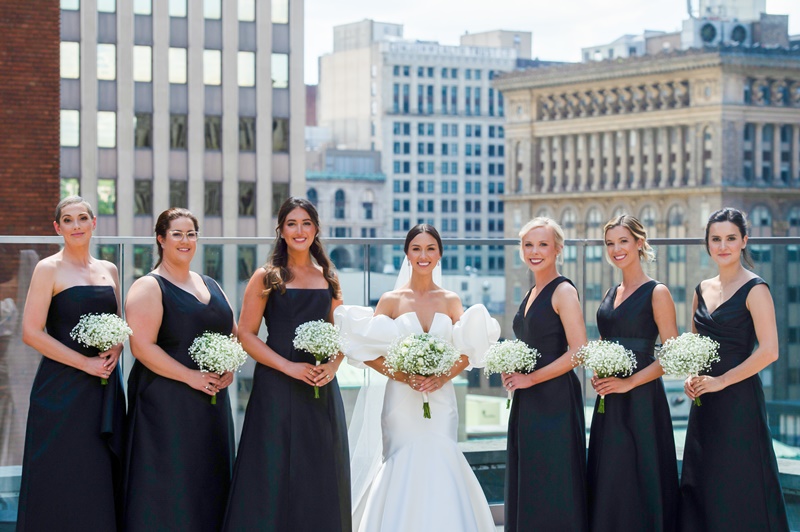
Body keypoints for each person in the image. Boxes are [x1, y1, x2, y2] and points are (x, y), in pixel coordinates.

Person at [335, 224, 499, 532]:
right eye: (416, 249)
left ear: (440, 254)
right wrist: (402, 375)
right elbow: (367, 350)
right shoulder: (391, 300)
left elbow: (467, 350)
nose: (423, 255)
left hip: (441, 399)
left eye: (430, 249)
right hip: (401, 401)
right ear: (407, 254)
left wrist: (442, 377)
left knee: (442, 457)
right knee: (402, 461)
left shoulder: (451, 301)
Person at [222, 197, 351, 531]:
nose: (299, 230)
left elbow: (343, 334)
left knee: (319, 467)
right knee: (271, 469)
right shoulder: (266, 276)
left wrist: (334, 365)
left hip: (320, 387)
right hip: (277, 385)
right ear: (280, 230)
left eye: (306, 223)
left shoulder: (329, 276)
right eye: (291, 224)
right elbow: (246, 335)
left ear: (316, 229)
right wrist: (288, 367)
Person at [123, 208, 236, 532]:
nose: (185, 240)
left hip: (210, 401)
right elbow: (142, 347)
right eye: (177, 234)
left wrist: (228, 368)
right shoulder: (149, 286)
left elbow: (233, 332)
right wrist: (190, 376)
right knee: (170, 483)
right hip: (167, 403)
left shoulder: (211, 283)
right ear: (160, 239)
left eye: (191, 234)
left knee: (208, 478)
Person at [17, 196, 126, 530]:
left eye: (82, 218)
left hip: (103, 386)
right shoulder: (48, 268)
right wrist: (85, 364)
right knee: (59, 472)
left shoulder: (110, 270)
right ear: (58, 227)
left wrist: (118, 347)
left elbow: (119, 323)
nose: (76, 226)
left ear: (94, 223)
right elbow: (31, 333)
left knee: (97, 471)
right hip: (61, 391)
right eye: (68, 220)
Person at [680, 208, 789, 531]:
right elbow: (694, 343)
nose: (723, 246)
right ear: (708, 244)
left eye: (730, 238)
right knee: (704, 479)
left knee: (739, 481)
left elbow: (770, 351)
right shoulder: (701, 289)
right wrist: (691, 376)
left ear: (744, 241)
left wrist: (721, 381)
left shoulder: (756, 289)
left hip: (739, 398)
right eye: (716, 239)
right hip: (704, 400)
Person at [587, 214, 679, 532]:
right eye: (610, 243)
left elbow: (673, 356)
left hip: (641, 399)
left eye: (623, 241)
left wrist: (629, 384)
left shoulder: (658, 292)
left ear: (639, 243)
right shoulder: (611, 292)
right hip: (609, 396)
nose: (616, 249)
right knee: (611, 471)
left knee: (640, 471)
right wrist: (597, 364)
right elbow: (605, 338)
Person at [502, 217, 588, 532]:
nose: (534, 251)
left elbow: (579, 351)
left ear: (558, 249)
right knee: (532, 476)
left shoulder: (563, 290)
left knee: (554, 478)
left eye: (543, 245)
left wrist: (530, 379)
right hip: (529, 397)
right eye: (528, 245)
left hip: (554, 399)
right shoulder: (533, 291)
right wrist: (514, 368)